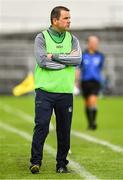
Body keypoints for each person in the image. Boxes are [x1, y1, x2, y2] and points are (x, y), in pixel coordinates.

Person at [30, 6, 81, 174]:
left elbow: (77, 59)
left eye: (69, 18)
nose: (69, 21)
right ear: (55, 20)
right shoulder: (41, 37)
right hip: (44, 91)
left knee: (64, 129)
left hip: (65, 92)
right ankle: (35, 161)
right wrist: (66, 60)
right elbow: (43, 61)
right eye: (66, 18)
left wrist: (56, 56)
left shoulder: (73, 39)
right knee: (42, 125)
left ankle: (61, 164)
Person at [78, 36, 105, 130]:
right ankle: (90, 123)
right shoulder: (83, 55)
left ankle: (93, 123)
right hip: (85, 82)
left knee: (92, 101)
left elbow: (100, 68)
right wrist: (76, 81)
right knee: (87, 104)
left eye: (96, 42)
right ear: (88, 43)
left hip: (95, 82)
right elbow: (79, 69)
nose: (95, 44)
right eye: (93, 42)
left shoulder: (100, 56)